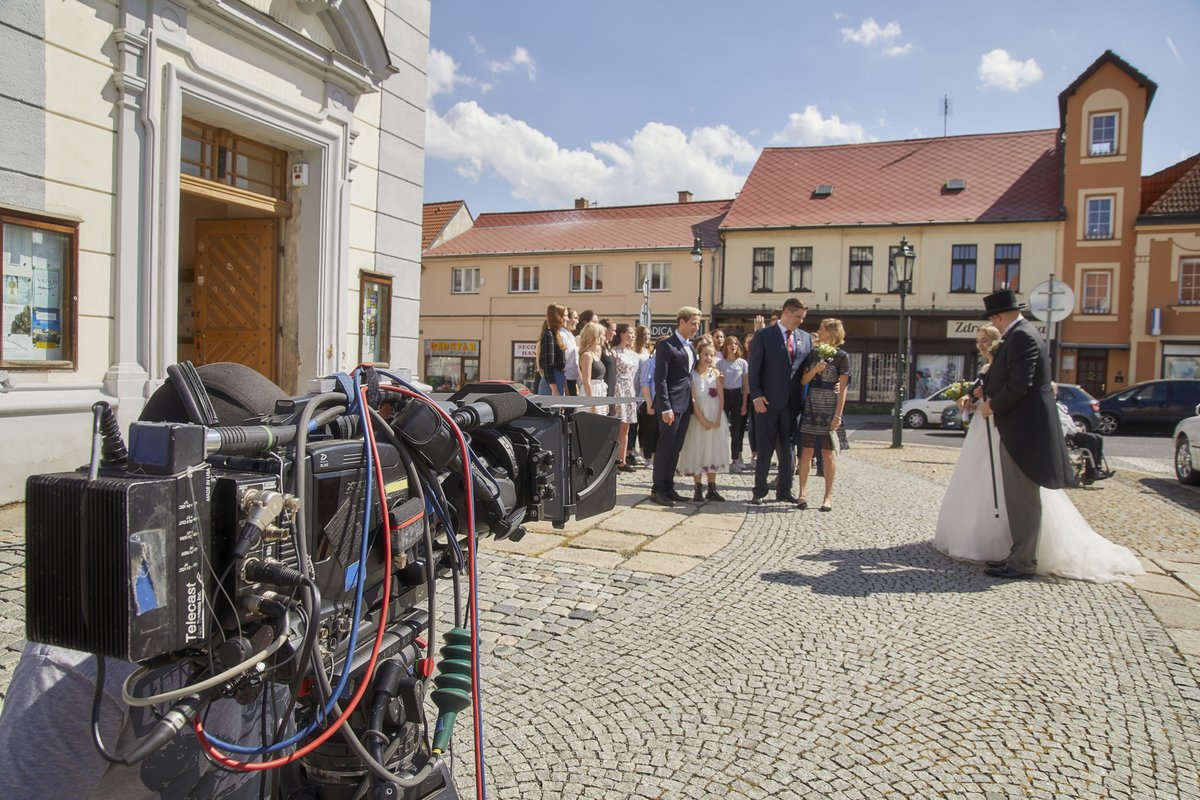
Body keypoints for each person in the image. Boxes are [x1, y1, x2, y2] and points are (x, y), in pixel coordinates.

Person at [934, 318, 1142, 583]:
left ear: (997, 340)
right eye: (978, 341)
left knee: (1017, 491)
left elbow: (1023, 388)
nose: (981, 345)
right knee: (987, 486)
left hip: (1005, 431)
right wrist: (971, 398)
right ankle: (999, 545)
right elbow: (986, 393)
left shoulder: (1015, 355)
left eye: (986, 340)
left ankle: (1021, 554)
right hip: (983, 431)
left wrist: (990, 402)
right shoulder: (989, 367)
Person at [747, 298, 810, 505]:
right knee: (765, 449)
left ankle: (784, 490)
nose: (800, 321)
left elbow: (806, 370)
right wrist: (756, 395)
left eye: (803, 318)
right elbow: (754, 369)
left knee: (788, 450)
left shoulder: (805, 338)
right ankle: (759, 491)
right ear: (786, 313)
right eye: (798, 317)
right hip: (766, 402)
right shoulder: (765, 336)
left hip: (792, 404)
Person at [796, 319, 851, 511]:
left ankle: (828, 497)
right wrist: (815, 370)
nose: (818, 331)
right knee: (806, 451)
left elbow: (843, 388)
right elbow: (803, 381)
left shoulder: (842, 356)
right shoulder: (813, 354)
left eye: (821, 328)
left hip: (830, 406)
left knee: (828, 453)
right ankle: (802, 494)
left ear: (830, 332)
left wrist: (838, 415)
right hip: (812, 404)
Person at [649, 307, 701, 507]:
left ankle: (669, 487)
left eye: (697, 323)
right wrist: (665, 407)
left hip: (685, 404)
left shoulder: (690, 347)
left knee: (676, 448)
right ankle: (657, 490)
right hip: (670, 405)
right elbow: (660, 379)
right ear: (681, 322)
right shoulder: (667, 346)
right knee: (665, 448)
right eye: (693, 323)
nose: (696, 327)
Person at [677, 341, 730, 501]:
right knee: (698, 449)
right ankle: (698, 487)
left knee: (712, 449)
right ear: (699, 354)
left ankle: (712, 487)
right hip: (698, 417)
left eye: (712, 355)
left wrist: (717, 417)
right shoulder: (692, 375)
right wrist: (702, 419)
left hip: (715, 414)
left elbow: (721, 397)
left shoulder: (715, 373)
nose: (708, 358)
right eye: (706, 354)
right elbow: (693, 399)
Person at [1052, 382, 1111, 485]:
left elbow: (1067, 420)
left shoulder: (1058, 404)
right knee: (1092, 439)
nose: (1056, 392)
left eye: (1056, 390)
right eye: (1054, 390)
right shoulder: (1052, 405)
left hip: (1071, 431)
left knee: (1098, 437)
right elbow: (1063, 423)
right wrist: (1075, 429)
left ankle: (1096, 468)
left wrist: (1075, 427)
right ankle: (1091, 473)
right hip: (1066, 435)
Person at [717, 335, 750, 473]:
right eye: (730, 344)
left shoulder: (742, 363)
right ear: (726, 347)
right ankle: (721, 459)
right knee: (722, 429)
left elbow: (745, 385)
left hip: (737, 395)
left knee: (737, 430)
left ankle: (735, 459)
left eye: (735, 344)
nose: (733, 346)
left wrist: (744, 404)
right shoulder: (720, 363)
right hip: (724, 394)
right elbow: (717, 384)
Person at [611, 322, 640, 472]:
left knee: (626, 427)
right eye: (629, 332)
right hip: (618, 389)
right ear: (621, 334)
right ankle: (612, 460)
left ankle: (621, 461)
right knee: (617, 425)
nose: (632, 336)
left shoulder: (633, 354)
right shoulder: (614, 352)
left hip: (629, 389)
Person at [576, 321, 609, 415]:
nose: (604, 337)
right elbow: (586, 381)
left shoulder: (596, 354)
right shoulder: (587, 355)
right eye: (602, 335)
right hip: (590, 395)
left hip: (599, 393)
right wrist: (593, 404)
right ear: (595, 336)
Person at [536, 303, 567, 395]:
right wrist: (554, 388)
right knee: (549, 409)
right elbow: (548, 365)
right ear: (558, 317)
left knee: (556, 409)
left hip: (557, 378)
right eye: (565, 315)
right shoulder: (549, 335)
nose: (567, 318)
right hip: (552, 381)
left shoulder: (556, 335)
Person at [563, 307, 581, 395]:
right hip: (566, 381)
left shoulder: (570, 336)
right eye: (575, 318)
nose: (577, 321)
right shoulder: (562, 335)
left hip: (573, 380)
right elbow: (565, 361)